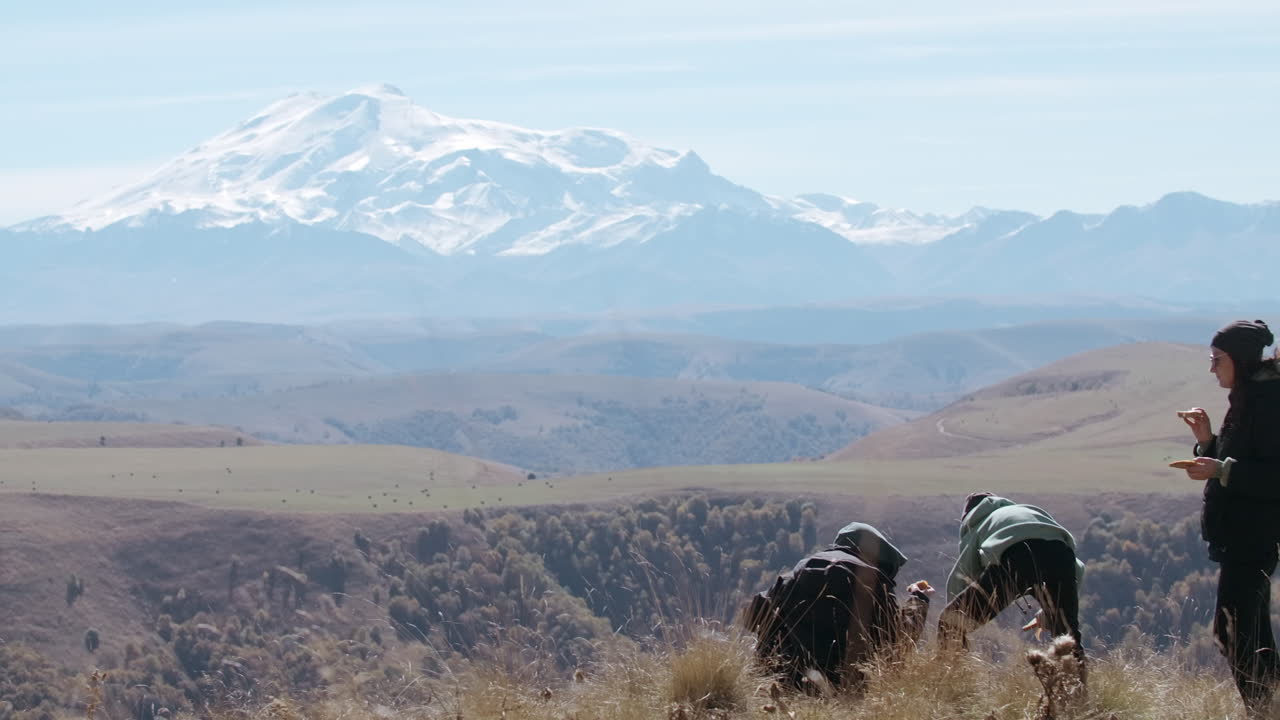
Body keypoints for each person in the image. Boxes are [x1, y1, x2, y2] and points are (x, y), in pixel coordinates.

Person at [1177, 319, 1280, 715]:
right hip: (1243, 536)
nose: (1212, 367)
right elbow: (1243, 460)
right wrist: (1207, 441)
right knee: (1251, 634)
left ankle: (1262, 710)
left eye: (1216, 359)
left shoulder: (1267, 403)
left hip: (1254, 536)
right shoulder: (1250, 397)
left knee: (1233, 633)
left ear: (1238, 359)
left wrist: (1220, 470)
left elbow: (1274, 476)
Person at [742, 522, 932, 691]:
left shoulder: (798, 573)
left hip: (787, 682)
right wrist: (918, 598)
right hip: (852, 689)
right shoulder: (874, 583)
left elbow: (752, 617)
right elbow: (900, 639)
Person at [938, 493, 1086, 671]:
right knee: (1067, 637)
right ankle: (1075, 692)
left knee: (950, 623)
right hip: (1062, 556)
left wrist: (956, 613)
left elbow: (963, 574)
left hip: (1017, 557)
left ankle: (951, 678)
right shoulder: (1025, 512)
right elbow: (1078, 568)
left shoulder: (977, 524)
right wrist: (1049, 613)